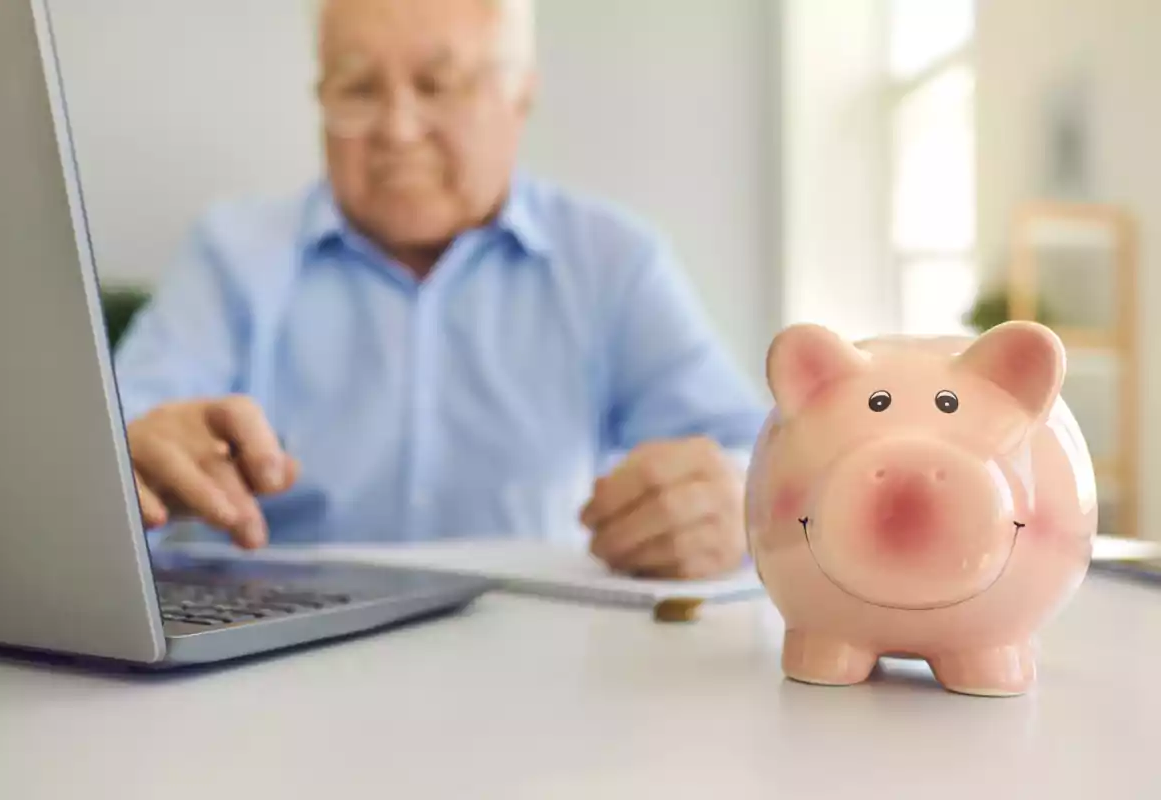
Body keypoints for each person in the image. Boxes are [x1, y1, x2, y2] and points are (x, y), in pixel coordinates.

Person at [114, 0, 769, 580]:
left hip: (539, 655)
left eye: (438, 84)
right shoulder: (231, 252)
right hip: (272, 653)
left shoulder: (612, 258)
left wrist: (728, 502)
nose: (397, 129)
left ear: (520, 98)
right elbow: (115, 452)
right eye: (357, 87)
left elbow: (759, 463)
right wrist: (138, 452)